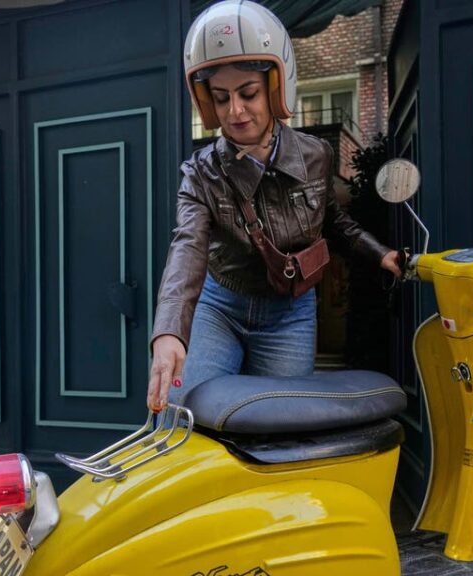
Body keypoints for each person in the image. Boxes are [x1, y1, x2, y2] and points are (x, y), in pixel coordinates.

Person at [147, 0, 400, 413]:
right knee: (180, 414)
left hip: (290, 313)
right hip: (219, 306)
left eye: (248, 93)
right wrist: (169, 331)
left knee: (279, 427)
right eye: (221, 98)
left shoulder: (317, 155)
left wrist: (381, 254)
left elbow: (333, 221)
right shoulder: (199, 172)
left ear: (276, 88)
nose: (235, 110)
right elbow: (187, 245)